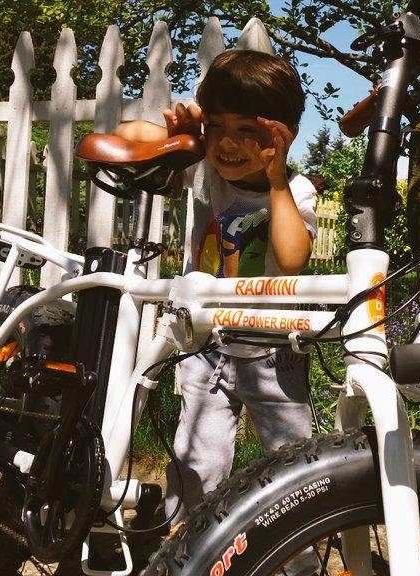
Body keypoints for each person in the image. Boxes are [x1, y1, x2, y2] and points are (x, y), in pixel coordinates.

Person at [114, 49, 317, 524]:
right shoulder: (201, 167)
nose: (228, 143)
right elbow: (128, 138)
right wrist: (178, 134)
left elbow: (292, 260)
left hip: (273, 350)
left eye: (248, 130)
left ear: (282, 135)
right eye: (218, 126)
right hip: (207, 344)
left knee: (291, 463)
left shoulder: (294, 188)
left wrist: (275, 183)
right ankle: (186, 543)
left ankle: (297, 552)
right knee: (197, 461)